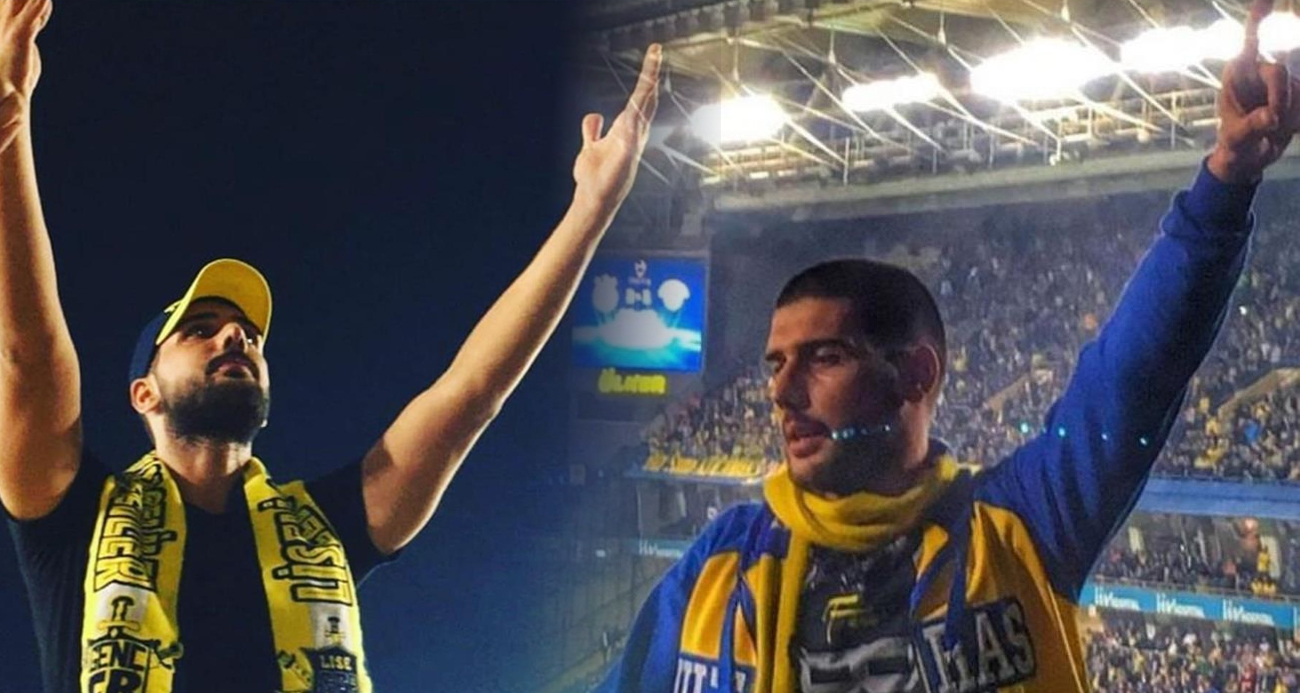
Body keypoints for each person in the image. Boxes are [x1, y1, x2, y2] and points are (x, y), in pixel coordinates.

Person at [598, 0, 1299, 690]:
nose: (782, 391)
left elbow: (1134, 376)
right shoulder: (719, 565)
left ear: (916, 374)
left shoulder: (1017, 528)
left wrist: (1226, 180)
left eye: (825, 357)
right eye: (776, 364)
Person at [0, 2, 663, 691]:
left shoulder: (328, 524)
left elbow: (471, 393)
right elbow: (28, 354)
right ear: (144, 393)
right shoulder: (72, 513)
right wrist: (8, 131)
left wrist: (590, 213)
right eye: (199, 329)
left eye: (249, 334)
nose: (235, 335)